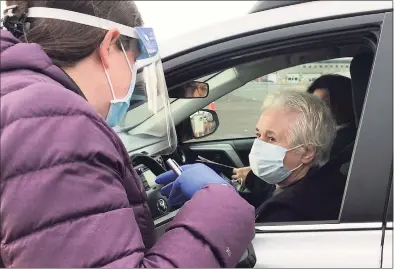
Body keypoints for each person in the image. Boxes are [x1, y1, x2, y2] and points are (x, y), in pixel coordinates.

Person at [0, 1, 254, 267]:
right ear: (110, 45)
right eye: (133, 62)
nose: (133, 81)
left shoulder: (22, 103)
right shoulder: (54, 122)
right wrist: (222, 208)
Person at [234, 90, 346, 222]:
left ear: (307, 152)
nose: (258, 145)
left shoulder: (285, 213)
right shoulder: (308, 180)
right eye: (258, 135)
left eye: (271, 139)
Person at [307, 74, 357, 157]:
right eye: (314, 103)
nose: (316, 109)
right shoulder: (323, 135)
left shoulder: (340, 144)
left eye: (325, 103)